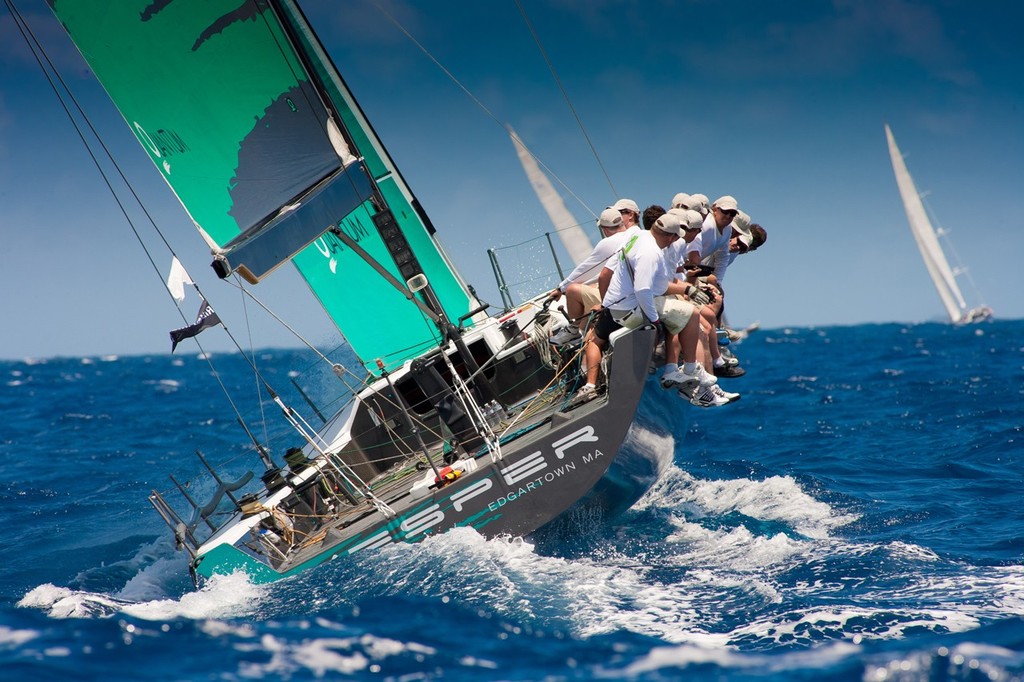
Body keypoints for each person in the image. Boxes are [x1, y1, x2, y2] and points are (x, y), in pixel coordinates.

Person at [573, 213, 717, 403]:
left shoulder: (638, 236)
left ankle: (589, 386)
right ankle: (686, 369)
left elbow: (611, 274)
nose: (674, 241)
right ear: (670, 236)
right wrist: (654, 320)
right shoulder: (652, 253)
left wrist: (606, 302)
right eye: (675, 237)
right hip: (633, 310)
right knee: (691, 313)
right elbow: (643, 290)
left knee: (594, 340)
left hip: (614, 307)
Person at [548, 207, 640, 344]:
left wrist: (561, 288)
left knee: (573, 290)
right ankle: (581, 331)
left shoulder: (608, 243)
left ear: (604, 229)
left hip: (620, 300)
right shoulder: (635, 236)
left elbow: (586, 269)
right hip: (637, 295)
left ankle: (573, 331)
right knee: (587, 292)